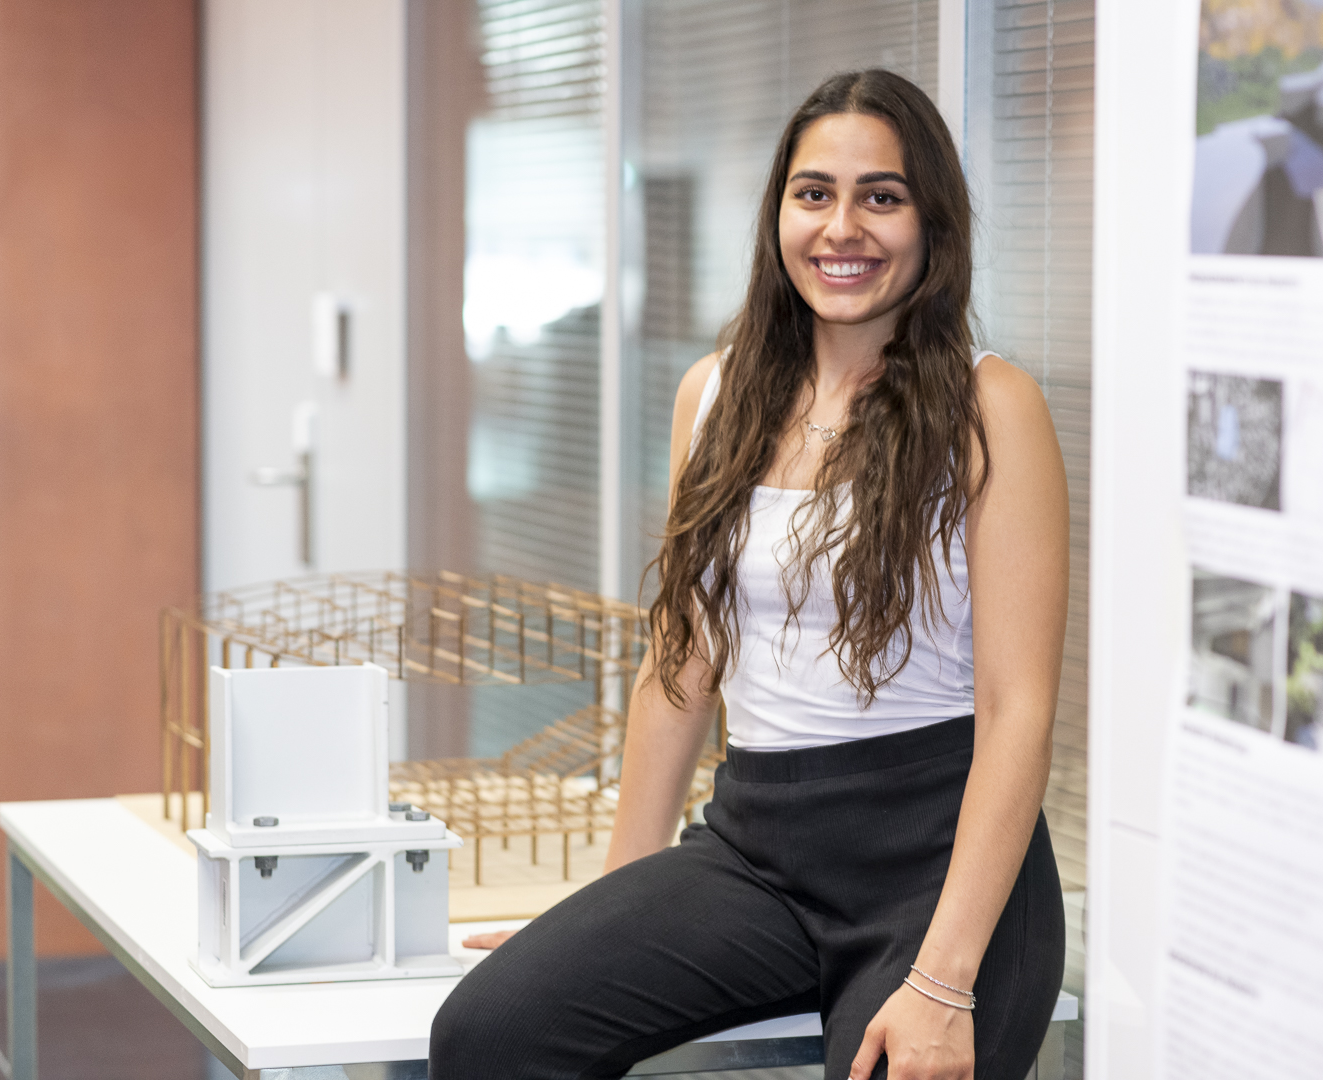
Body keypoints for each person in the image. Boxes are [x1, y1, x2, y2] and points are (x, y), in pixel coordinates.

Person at [430, 68, 1070, 1080]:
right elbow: (681, 661)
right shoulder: (715, 394)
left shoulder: (993, 409)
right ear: (779, 212)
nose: (842, 227)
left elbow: (1018, 708)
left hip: (938, 863)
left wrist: (946, 981)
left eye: (882, 196)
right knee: (491, 1032)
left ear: (931, 222)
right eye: (815, 193)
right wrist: (612, 908)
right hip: (759, 847)